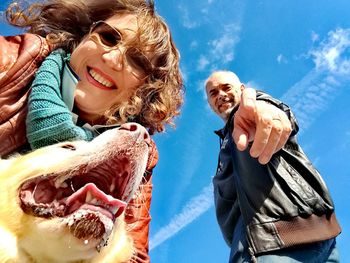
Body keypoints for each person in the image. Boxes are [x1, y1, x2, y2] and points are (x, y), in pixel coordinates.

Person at [0, 0, 182, 262]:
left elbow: (133, 255)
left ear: (145, 89)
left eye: (137, 60)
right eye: (108, 37)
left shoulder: (132, 152)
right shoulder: (15, 60)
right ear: (83, 35)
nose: (112, 59)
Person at [205, 70, 341, 263]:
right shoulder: (227, 145)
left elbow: (268, 109)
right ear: (210, 104)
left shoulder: (249, 111)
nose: (220, 95)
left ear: (242, 89)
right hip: (307, 239)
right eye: (213, 93)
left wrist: (269, 112)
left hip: (274, 245)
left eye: (226, 87)